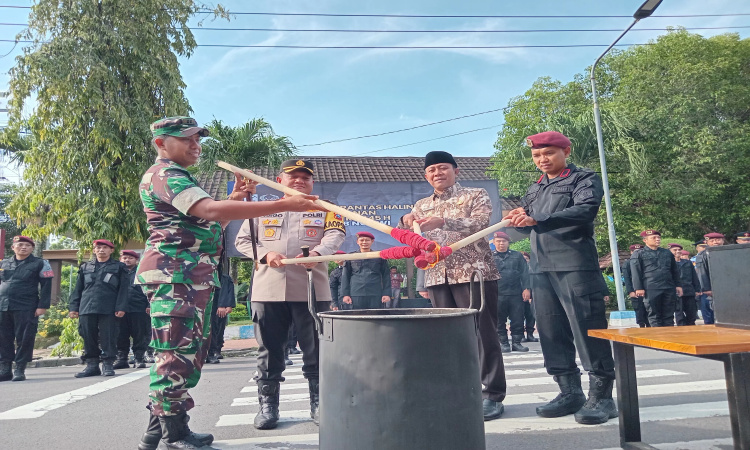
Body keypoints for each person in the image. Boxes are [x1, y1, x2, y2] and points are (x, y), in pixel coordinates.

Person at [136, 117, 321, 450]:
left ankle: (157, 429)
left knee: (186, 352)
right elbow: (208, 209)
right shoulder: (165, 175)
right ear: (161, 143)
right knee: (175, 354)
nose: (196, 145)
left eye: (197, 140)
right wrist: (283, 203)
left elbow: (207, 216)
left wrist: (237, 195)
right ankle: (173, 435)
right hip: (175, 276)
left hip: (189, 277)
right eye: (187, 139)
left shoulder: (179, 177)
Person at [504, 131, 616, 425]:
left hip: (575, 265)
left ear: (566, 151)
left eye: (549, 153)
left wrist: (537, 219)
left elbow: (584, 211)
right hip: (540, 268)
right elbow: (526, 228)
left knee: (587, 328)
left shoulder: (583, 179)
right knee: (550, 331)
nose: (542, 159)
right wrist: (517, 217)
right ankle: (569, 391)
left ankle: (603, 396)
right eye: (537, 155)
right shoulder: (535, 188)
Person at [235, 158, 345, 430]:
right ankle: (268, 406)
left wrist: (319, 253)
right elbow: (243, 241)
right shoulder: (261, 209)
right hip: (268, 289)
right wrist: (266, 253)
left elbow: (335, 236)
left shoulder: (327, 208)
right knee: (269, 349)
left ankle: (319, 403)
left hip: (312, 288)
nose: (299, 180)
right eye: (292, 176)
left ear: (312, 182)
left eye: (305, 177)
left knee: (317, 348)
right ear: (279, 180)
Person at [400, 150, 506, 421]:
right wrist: (406, 222)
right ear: (426, 176)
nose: (438, 173)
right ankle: (456, 391)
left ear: (456, 171)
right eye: (432, 169)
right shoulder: (421, 204)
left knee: (483, 333)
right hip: (437, 276)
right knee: (445, 337)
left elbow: (482, 223)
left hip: (473, 274)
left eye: (443, 167)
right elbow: (410, 230)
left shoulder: (474, 194)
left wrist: (445, 221)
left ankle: (492, 394)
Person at [68, 239, 129, 378]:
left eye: (105, 248)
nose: (101, 250)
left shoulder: (119, 267)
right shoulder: (85, 267)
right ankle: (92, 365)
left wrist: (121, 306)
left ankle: (108, 364)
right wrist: (74, 307)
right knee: (88, 335)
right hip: (87, 306)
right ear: (94, 250)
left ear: (111, 250)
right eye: (98, 247)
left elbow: (123, 289)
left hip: (109, 307)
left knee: (109, 336)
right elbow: (78, 289)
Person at [0, 236, 54, 382]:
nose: (23, 247)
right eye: (20, 244)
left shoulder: (40, 263)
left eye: (27, 245)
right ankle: (5, 369)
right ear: (13, 247)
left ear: (32, 248)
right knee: (3, 338)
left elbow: (46, 286)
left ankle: (20, 368)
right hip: (3, 305)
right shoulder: (4, 263)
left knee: (24, 337)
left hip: (26, 306)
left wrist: (42, 306)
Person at [630, 230, 682, 327]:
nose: (657, 239)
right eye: (654, 238)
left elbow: (674, 270)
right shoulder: (639, 254)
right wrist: (638, 288)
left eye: (658, 237)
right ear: (645, 240)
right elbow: (636, 272)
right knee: (654, 315)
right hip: (651, 287)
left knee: (669, 315)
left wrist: (678, 285)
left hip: (668, 287)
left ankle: (669, 338)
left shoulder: (666, 253)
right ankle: (658, 338)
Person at [491, 231, 531, 353]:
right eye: (498, 241)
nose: (501, 243)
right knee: (499, 319)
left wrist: (527, 288)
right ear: (494, 242)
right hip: (497, 293)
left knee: (518, 318)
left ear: (508, 242)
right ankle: (503, 343)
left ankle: (517, 343)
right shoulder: (490, 256)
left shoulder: (517, 256)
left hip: (515, 293)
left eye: (504, 241)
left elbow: (525, 272)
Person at [113, 250, 150, 370]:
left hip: (138, 308)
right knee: (120, 334)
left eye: (130, 258)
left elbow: (149, 290)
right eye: (124, 258)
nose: (127, 260)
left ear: (136, 260)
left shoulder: (142, 272)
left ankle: (139, 358)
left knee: (139, 334)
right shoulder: (116, 272)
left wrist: (149, 305)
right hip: (120, 309)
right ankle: (122, 359)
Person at [341, 232, 391, 310]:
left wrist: (386, 294)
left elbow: (386, 275)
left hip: (375, 293)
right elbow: (345, 276)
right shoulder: (351, 257)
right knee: (358, 317)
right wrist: (345, 294)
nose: (364, 242)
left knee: (376, 317)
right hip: (356, 293)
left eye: (367, 240)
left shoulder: (378, 256)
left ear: (372, 241)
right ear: (357, 242)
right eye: (362, 240)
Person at [694, 232, 725, 325]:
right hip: (712, 289)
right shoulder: (703, 255)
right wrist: (707, 289)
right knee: (711, 316)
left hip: (727, 288)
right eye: (712, 240)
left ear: (723, 241)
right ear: (707, 242)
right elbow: (702, 273)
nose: (716, 242)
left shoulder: (728, 251)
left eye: (718, 240)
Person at [206, 272, 235, 365]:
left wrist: (226, 305)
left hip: (219, 306)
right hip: (207, 306)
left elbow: (227, 290)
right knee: (210, 329)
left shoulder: (224, 277)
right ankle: (209, 352)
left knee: (218, 328)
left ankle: (216, 350)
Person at [668, 244, 700, 326]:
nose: (678, 251)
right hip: (676, 292)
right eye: (675, 250)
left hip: (689, 290)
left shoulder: (687, 263)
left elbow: (694, 277)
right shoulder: (668, 264)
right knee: (680, 315)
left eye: (679, 250)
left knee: (692, 314)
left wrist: (697, 289)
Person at [622, 244, 649, 328]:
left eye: (640, 251)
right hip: (635, 291)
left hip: (647, 290)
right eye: (635, 251)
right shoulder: (627, 263)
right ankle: (641, 325)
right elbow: (627, 279)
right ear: (631, 252)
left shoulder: (646, 262)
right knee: (639, 310)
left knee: (648, 310)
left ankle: (649, 325)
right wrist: (630, 291)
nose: (637, 253)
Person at [518, 251, 538, 342]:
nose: (525, 261)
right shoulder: (517, 268)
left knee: (530, 315)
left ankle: (530, 334)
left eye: (526, 259)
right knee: (519, 316)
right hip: (518, 295)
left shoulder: (533, 269)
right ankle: (521, 334)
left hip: (531, 295)